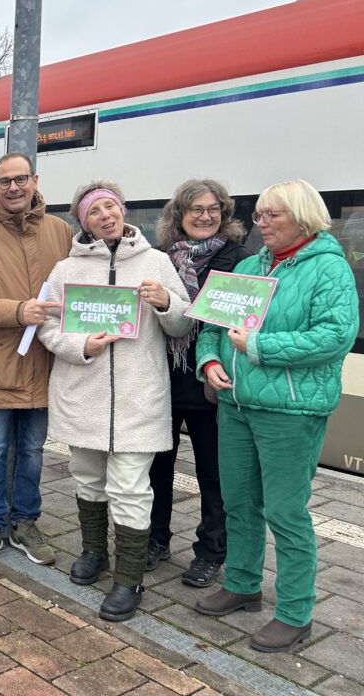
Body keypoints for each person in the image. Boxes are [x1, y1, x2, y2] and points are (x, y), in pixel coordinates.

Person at [195, 179, 358, 653]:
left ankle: (295, 612)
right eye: (260, 215)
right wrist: (210, 362)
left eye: (272, 215)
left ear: (303, 218)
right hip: (237, 406)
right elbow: (211, 326)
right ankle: (243, 584)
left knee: (286, 512)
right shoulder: (248, 266)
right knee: (239, 502)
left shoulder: (330, 270)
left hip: (291, 410)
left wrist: (260, 346)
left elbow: (335, 337)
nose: (260, 223)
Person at [38, 181, 192, 622]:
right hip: (81, 392)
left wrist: (166, 304)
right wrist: (81, 344)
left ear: (122, 211)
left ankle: (129, 578)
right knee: (87, 478)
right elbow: (47, 326)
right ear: (82, 221)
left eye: (111, 207)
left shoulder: (157, 262)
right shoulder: (65, 269)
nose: (106, 215)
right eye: (94, 211)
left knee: (129, 488)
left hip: (138, 398)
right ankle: (93, 551)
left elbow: (182, 326)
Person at [0, 153, 71, 566]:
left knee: (33, 450)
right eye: (5, 182)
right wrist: (18, 311)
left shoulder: (61, 231)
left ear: (35, 180)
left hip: (44, 363)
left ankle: (25, 522)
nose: (14, 188)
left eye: (21, 179)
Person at [148, 179, 251, 587]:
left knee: (213, 472)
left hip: (211, 380)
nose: (205, 216)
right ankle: (155, 539)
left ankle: (211, 551)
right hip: (163, 377)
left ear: (224, 215)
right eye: (195, 209)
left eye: (213, 209)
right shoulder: (160, 259)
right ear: (179, 215)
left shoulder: (239, 259)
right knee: (158, 468)